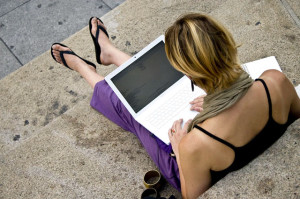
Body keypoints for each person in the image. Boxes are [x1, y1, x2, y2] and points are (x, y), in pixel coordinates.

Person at [51, 14, 300, 198]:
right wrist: (221, 101)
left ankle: (84, 68)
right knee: (147, 98)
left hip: (190, 162)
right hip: (220, 126)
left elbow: (192, 195)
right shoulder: (274, 82)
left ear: (189, 77)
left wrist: (181, 148)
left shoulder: (195, 144)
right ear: (225, 43)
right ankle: (110, 53)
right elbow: (294, 117)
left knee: (133, 112)